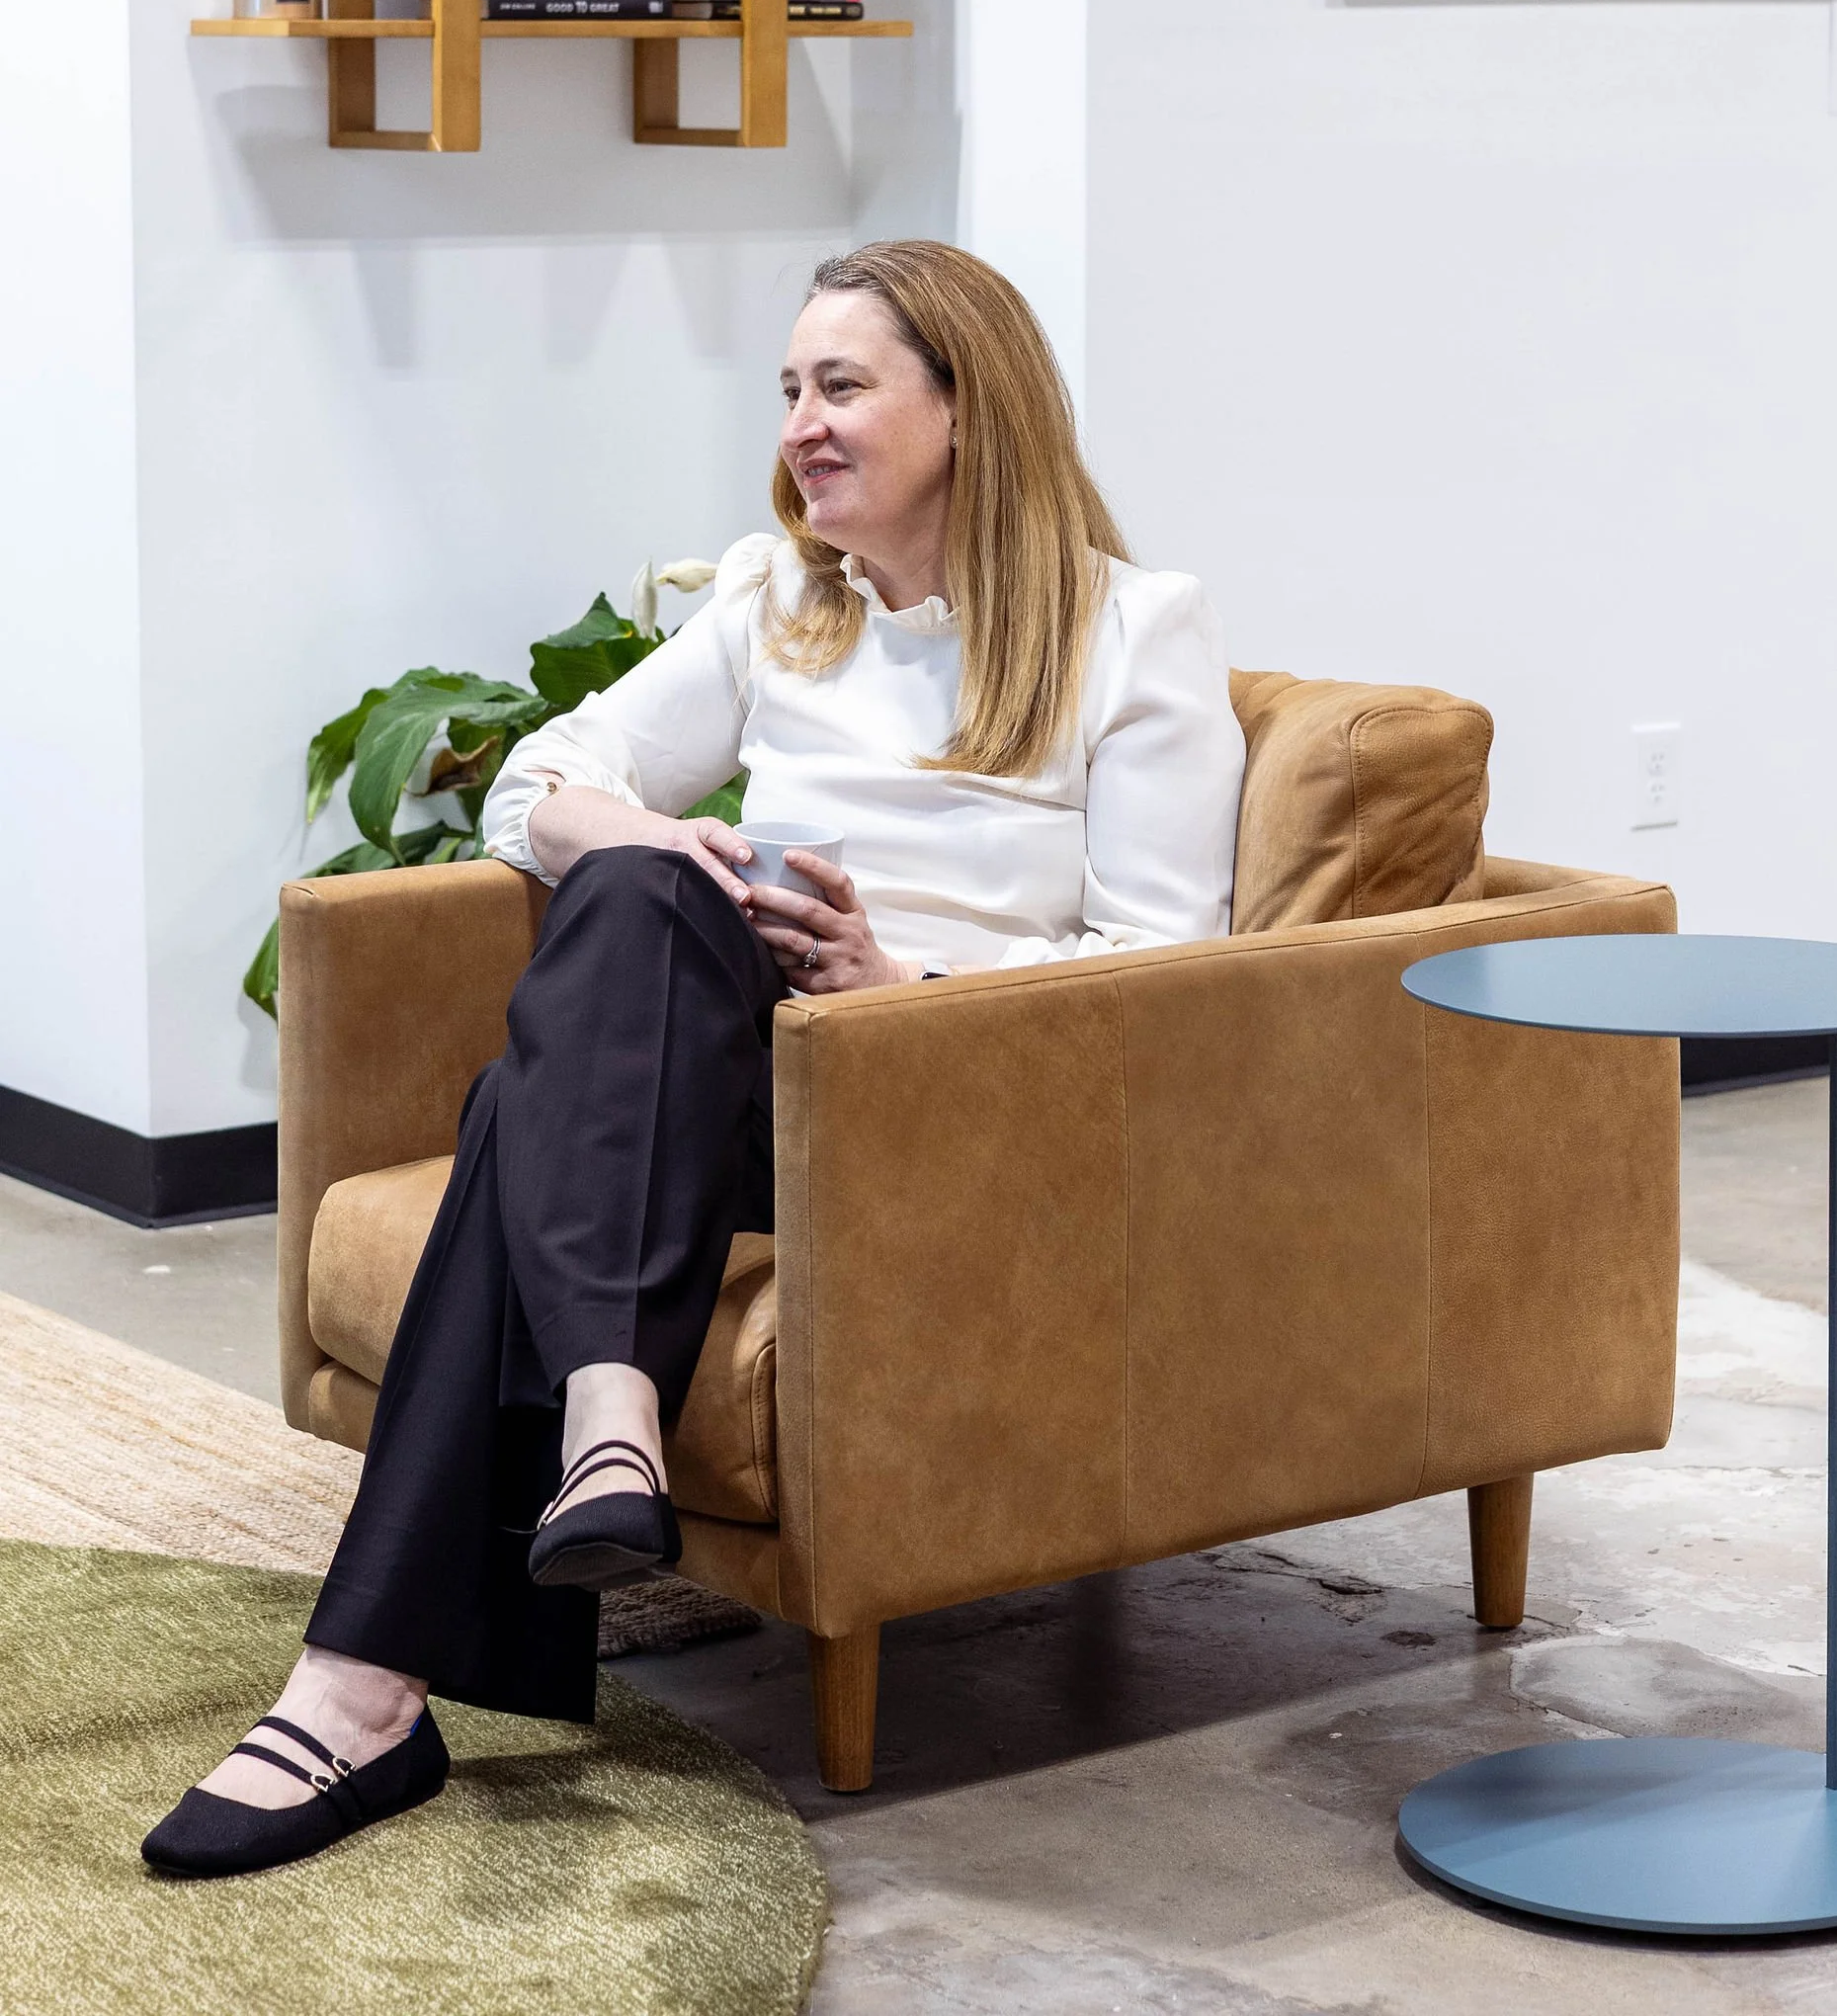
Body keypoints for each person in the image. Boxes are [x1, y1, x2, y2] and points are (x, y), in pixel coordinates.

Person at [143, 240, 1246, 1877]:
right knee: (649, 881)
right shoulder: (775, 605)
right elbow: (537, 785)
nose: (801, 422)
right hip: (720, 1097)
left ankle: (366, 1687)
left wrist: (904, 978)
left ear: (969, 406)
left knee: (528, 1110)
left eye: (844, 386)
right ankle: (573, 1459)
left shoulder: (1129, 635)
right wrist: (654, 835)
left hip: (931, 1103)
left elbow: (1171, 975)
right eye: (792, 387)